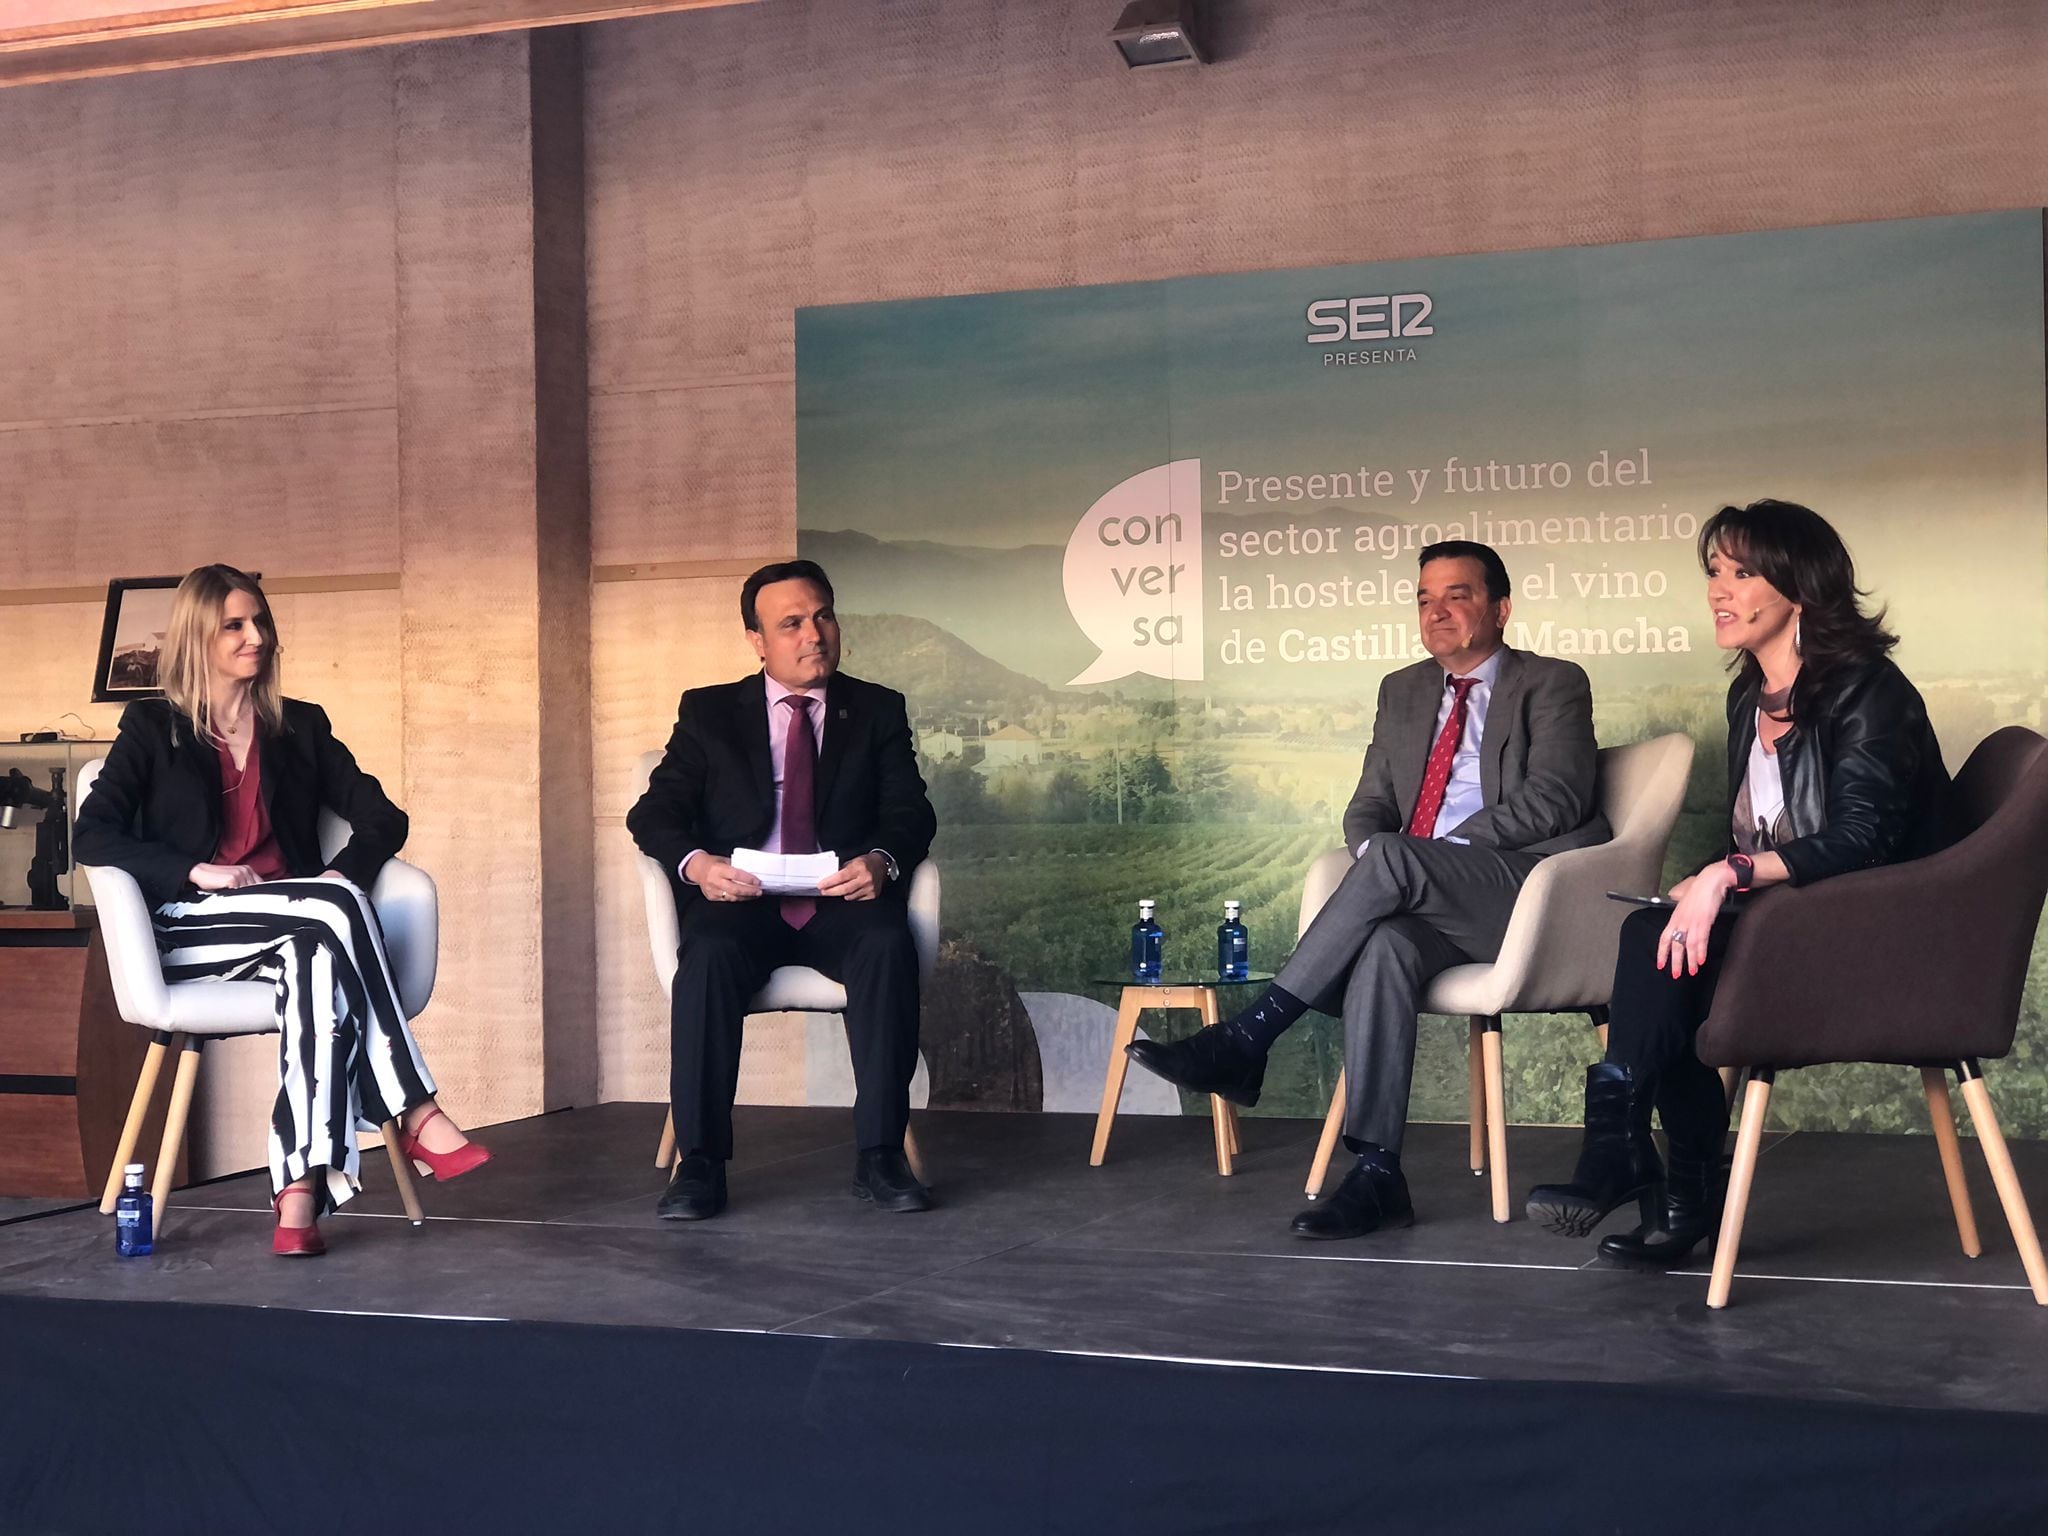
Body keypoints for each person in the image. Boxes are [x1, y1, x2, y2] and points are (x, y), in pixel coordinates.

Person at [1127, 540, 1608, 1239]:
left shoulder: (1553, 682)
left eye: (1458, 595)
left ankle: (1248, 1040)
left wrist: (1432, 854)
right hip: (1418, 896)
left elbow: (1557, 800)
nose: (1436, 611)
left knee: (1391, 861)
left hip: (1519, 891)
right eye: (1423, 598)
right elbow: (1368, 807)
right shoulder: (1403, 691)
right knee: (1384, 946)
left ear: (1501, 608)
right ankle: (1379, 1172)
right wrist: (1383, 856)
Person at [1527, 499, 1950, 1266]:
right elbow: (1761, 836)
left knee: (1662, 949)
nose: (1720, 589)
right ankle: (1657, 1180)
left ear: (1801, 585)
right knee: (1665, 947)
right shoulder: (1747, 696)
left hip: (1876, 939)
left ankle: (1642, 1173)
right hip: (1792, 921)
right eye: (1714, 572)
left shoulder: (1869, 691)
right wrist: (1710, 881)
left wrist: (1729, 873)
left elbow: (1865, 840)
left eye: (1743, 572)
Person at [74, 565, 487, 1258]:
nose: (255, 637)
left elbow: (383, 818)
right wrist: (194, 870)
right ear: (198, 636)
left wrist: (335, 879)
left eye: (260, 621)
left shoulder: (299, 726)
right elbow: (93, 833)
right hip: (191, 928)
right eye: (235, 625)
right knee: (329, 919)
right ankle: (412, 1106)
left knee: (317, 956)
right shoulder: (154, 727)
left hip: (301, 928)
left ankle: (298, 1194)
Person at [627, 559, 937, 1220]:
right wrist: (698, 866)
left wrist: (881, 860)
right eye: (791, 624)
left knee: (888, 943)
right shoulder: (709, 712)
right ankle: (701, 1165)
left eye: (822, 615)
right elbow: (653, 815)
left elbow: (911, 812)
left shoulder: (877, 710)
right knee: (706, 957)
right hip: (743, 902)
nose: (813, 635)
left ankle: (880, 1156)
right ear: (758, 641)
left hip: (839, 899)